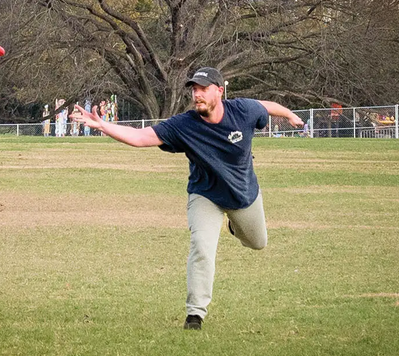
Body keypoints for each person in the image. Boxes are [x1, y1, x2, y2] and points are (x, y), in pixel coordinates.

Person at [71, 66, 304, 330]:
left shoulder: (243, 111)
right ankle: (195, 314)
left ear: (219, 91)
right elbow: (141, 137)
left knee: (258, 242)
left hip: (243, 194)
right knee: (202, 247)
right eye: (194, 89)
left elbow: (266, 106)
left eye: (203, 89)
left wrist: (290, 114)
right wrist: (103, 125)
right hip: (205, 195)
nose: (197, 94)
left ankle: (233, 225)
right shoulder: (185, 125)